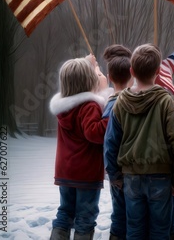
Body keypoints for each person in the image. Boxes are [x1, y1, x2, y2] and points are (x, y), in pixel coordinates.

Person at [104, 43, 174, 240]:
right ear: (158, 72)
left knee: (134, 231)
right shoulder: (167, 102)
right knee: (160, 231)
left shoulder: (120, 103)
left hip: (131, 180)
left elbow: (110, 144)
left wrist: (115, 176)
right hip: (161, 178)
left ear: (131, 71)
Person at [49, 57, 111, 240]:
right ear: (89, 82)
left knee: (65, 212)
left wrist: (88, 65)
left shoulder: (64, 107)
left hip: (65, 171)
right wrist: (109, 117)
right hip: (85, 172)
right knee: (85, 216)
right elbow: (94, 133)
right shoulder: (89, 106)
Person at [102, 45, 133, 240]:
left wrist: (113, 174)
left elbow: (109, 144)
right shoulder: (137, 102)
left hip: (120, 172)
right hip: (136, 170)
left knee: (120, 214)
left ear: (109, 77)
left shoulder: (111, 107)